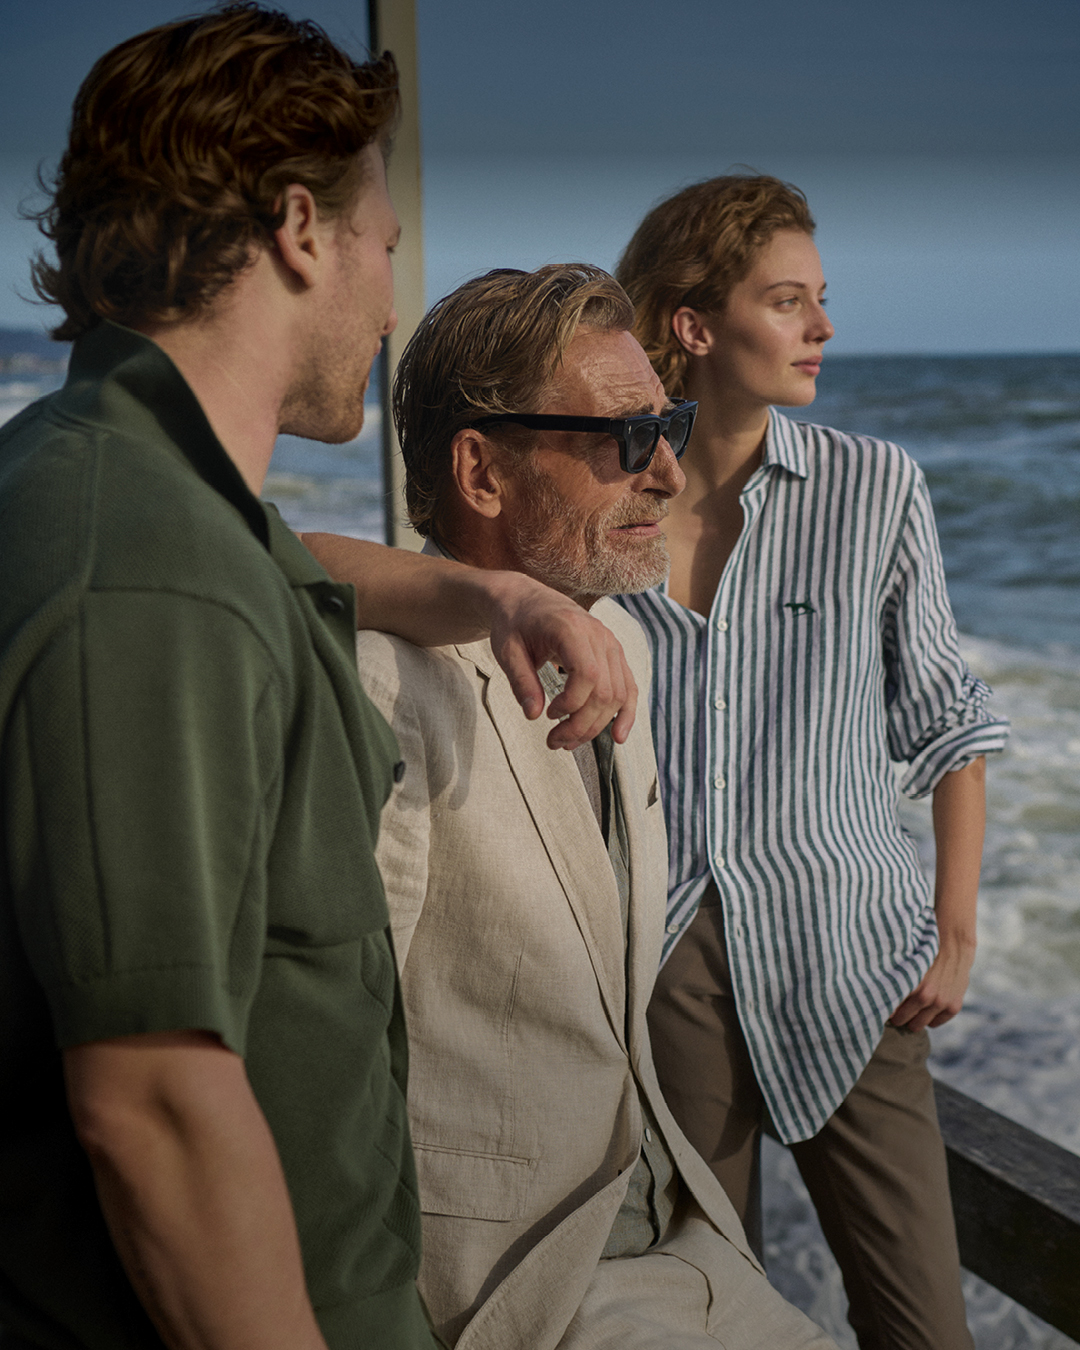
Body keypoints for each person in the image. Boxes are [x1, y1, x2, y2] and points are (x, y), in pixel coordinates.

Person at [0, 11, 636, 1350]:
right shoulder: (147, 566)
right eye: (384, 247)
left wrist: (493, 589)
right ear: (300, 227)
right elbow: (156, 1102)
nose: (392, 306)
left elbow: (282, 559)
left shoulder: (103, 477)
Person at [344, 263, 838, 1350]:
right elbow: (324, 1066)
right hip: (512, 1291)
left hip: (684, 1234)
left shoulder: (621, 655)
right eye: (625, 438)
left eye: (671, 423)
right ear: (481, 471)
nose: (668, 471)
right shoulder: (386, 692)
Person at [613, 175, 1010, 1350]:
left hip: (853, 960)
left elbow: (950, 717)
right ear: (695, 326)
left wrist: (955, 924)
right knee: (708, 1323)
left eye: (819, 300)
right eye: (788, 301)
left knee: (921, 1324)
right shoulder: (605, 495)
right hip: (665, 968)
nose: (824, 329)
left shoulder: (875, 488)